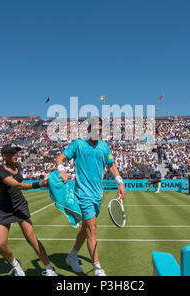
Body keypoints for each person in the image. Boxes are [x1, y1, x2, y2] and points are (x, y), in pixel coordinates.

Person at [55, 117, 126, 276]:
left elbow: (112, 166)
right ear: (88, 129)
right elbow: (60, 157)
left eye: (101, 130)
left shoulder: (104, 146)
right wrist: (62, 169)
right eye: (96, 129)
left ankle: (72, 256)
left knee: (86, 229)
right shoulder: (78, 144)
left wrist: (120, 183)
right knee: (92, 229)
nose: (98, 132)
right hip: (83, 195)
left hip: (97, 196)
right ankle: (97, 267)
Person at [0, 143, 57, 276]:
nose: (16, 155)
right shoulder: (0, 171)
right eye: (12, 153)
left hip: (19, 206)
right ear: (4, 156)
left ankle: (49, 269)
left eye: (16, 152)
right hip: (4, 209)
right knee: (0, 245)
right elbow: (17, 185)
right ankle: (15, 264)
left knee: (31, 239)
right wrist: (39, 184)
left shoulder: (18, 165)